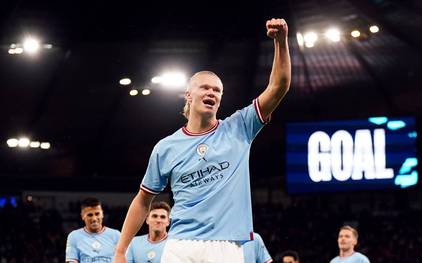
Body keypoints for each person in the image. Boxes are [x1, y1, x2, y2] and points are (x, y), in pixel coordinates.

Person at [114, 17, 290, 263]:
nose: (211, 93)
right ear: (188, 94)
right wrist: (121, 250)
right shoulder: (166, 147)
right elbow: (143, 200)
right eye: (205, 88)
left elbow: (279, 86)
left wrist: (281, 42)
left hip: (226, 246)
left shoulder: (239, 127)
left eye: (217, 90)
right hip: (179, 245)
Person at [65, 197, 120, 263]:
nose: (94, 218)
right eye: (90, 215)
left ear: (102, 214)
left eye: (97, 214)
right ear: (82, 216)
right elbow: (71, 261)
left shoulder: (116, 235)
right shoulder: (74, 236)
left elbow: (123, 259)